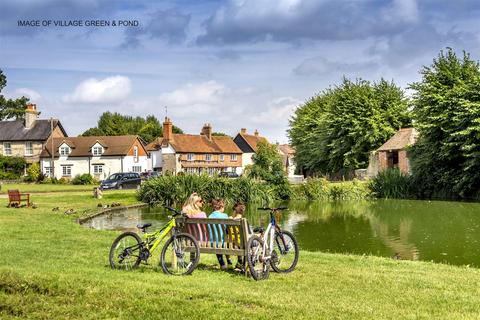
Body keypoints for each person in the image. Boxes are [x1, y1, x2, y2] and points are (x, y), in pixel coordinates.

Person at [208, 198, 232, 270]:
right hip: (222, 242)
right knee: (226, 238)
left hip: (211, 242)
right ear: (221, 207)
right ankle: (230, 262)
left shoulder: (209, 217)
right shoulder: (225, 216)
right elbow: (228, 230)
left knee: (217, 240)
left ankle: (222, 264)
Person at [231, 201, 250, 270]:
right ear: (243, 212)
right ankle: (244, 264)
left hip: (232, 243)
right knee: (252, 241)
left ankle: (239, 262)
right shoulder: (243, 221)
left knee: (240, 242)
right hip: (242, 243)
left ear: (235, 211)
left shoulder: (230, 219)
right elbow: (248, 233)